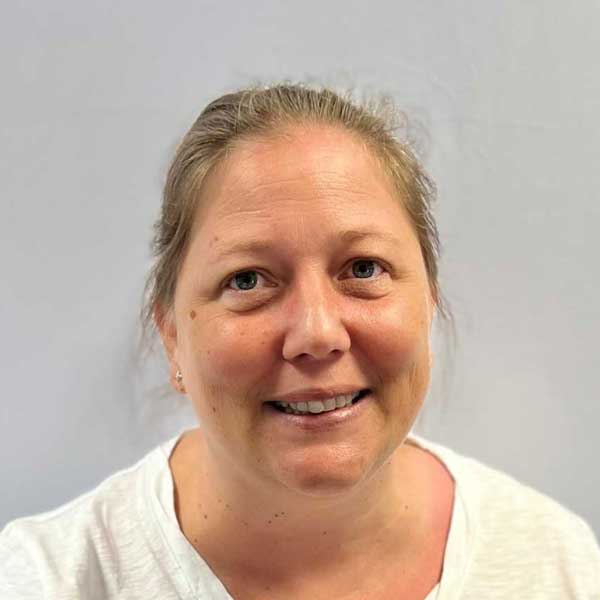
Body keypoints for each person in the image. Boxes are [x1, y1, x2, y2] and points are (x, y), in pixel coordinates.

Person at [1, 83, 599, 600]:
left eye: (363, 269)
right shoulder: (48, 579)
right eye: (247, 280)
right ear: (173, 335)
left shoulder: (555, 564)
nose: (317, 333)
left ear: (429, 301)